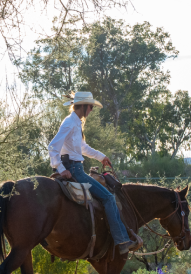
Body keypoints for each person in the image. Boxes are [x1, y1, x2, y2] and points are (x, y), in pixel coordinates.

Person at [48, 91, 137, 255]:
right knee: (109, 198)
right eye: (91, 107)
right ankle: (121, 240)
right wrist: (61, 169)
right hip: (75, 170)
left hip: (76, 168)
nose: (91, 110)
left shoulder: (75, 123)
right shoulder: (69, 123)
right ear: (82, 106)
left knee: (107, 197)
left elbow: (83, 148)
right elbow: (53, 146)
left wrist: (101, 157)